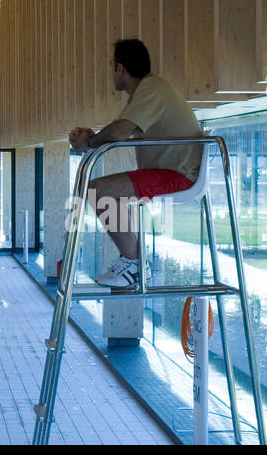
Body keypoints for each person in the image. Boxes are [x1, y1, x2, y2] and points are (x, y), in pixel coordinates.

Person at [68, 38, 204, 289]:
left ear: (120, 68)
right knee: (109, 192)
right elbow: (120, 128)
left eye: (112, 66)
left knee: (99, 190)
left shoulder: (152, 88)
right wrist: (92, 137)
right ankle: (134, 263)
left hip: (179, 174)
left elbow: (119, 132)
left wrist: (89, 142)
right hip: (170, 171)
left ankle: (134, 264)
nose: (112, 72)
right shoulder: (148, 91)